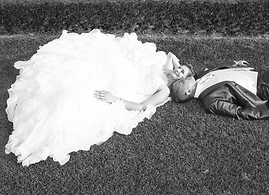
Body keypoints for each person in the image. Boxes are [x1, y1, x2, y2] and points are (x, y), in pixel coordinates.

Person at [5, 29, 193, 166]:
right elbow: (172, 55)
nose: (178, 70)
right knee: (86, 61)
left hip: (127, 86)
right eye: (180, 68)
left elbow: (142, 106)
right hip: (127, 71)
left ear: (180, 83)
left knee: (80, 89)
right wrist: (182, 70)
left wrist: (115, 98)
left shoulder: (165, 91)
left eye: (181, 74)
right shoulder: (168, 69)